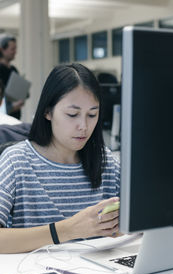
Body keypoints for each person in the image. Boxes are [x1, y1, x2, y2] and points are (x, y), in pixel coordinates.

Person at [0, 63, 120, 253]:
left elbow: (144, 219)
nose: (83, 126)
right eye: (72, 114)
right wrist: (66, 230)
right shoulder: (17, 162)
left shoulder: (106, 162)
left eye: (92, 114)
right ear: (47, 112)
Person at [0, 35, 25, 119]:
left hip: (15, 117)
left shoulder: (13, 69)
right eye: (12, 49)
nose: (15, 52)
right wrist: (11, 107)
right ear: (2, 49)